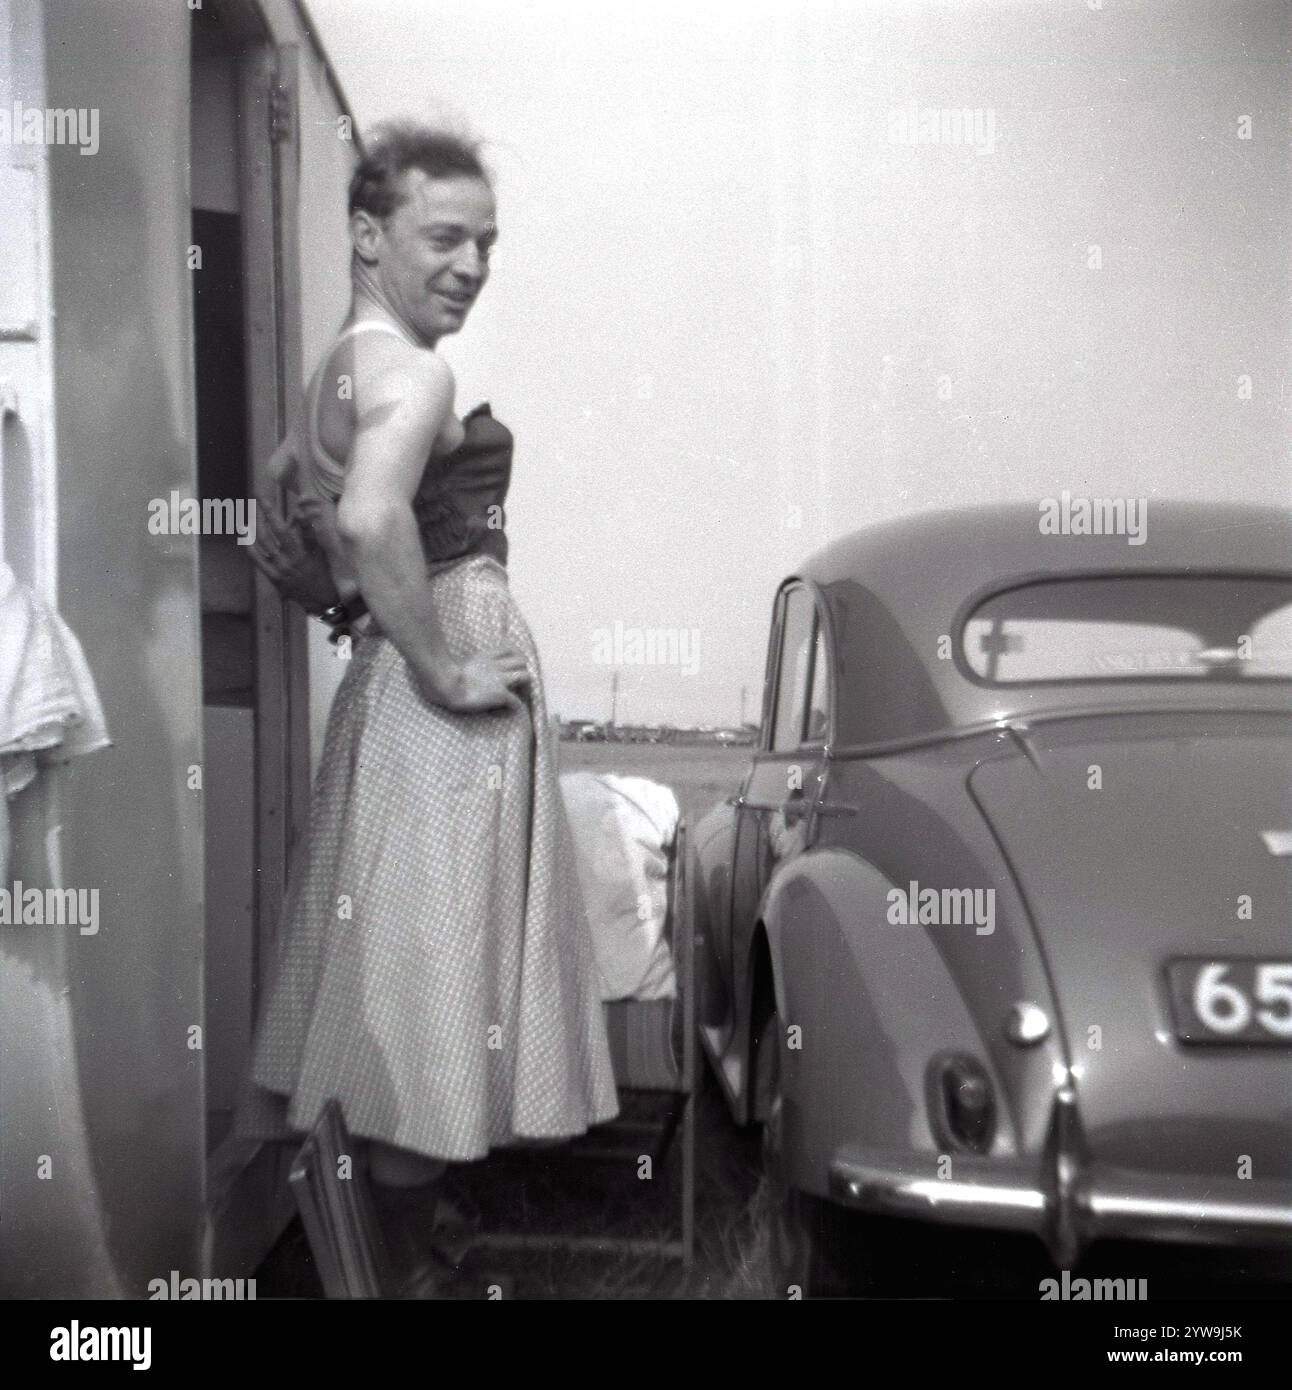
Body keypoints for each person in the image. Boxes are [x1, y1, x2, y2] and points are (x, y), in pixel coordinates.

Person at [238, 121, 619, 1274]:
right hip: (438, 716)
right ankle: (392, 1278)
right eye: (442, 236)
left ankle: (374, 1269)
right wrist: (448, 664)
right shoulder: (414, 370)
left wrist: (358, 610)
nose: (470, 264)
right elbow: (363, 520)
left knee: (398, 1003)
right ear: (366, 233)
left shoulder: (341, 367)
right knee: (426, 1007)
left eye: (485, 242)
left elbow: (301, 535)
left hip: (394, 714)